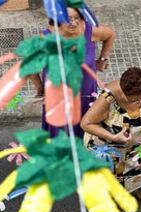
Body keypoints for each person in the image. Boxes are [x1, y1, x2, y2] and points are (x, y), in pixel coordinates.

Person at [81, 67, 141, 210]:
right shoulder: (108, 98)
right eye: (134, 100)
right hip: (107, 146)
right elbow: (85, 123)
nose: (139, 102)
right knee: (111, 177)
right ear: (124, 91)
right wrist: (113, 137)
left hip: (135, 143)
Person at [34, 6, 115, 137]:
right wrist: (40, 88)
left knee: (86, 126)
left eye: (76, 18)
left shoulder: (89, 31)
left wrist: (102, 60)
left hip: (86, 91)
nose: (73, 22)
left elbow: (110, 34)